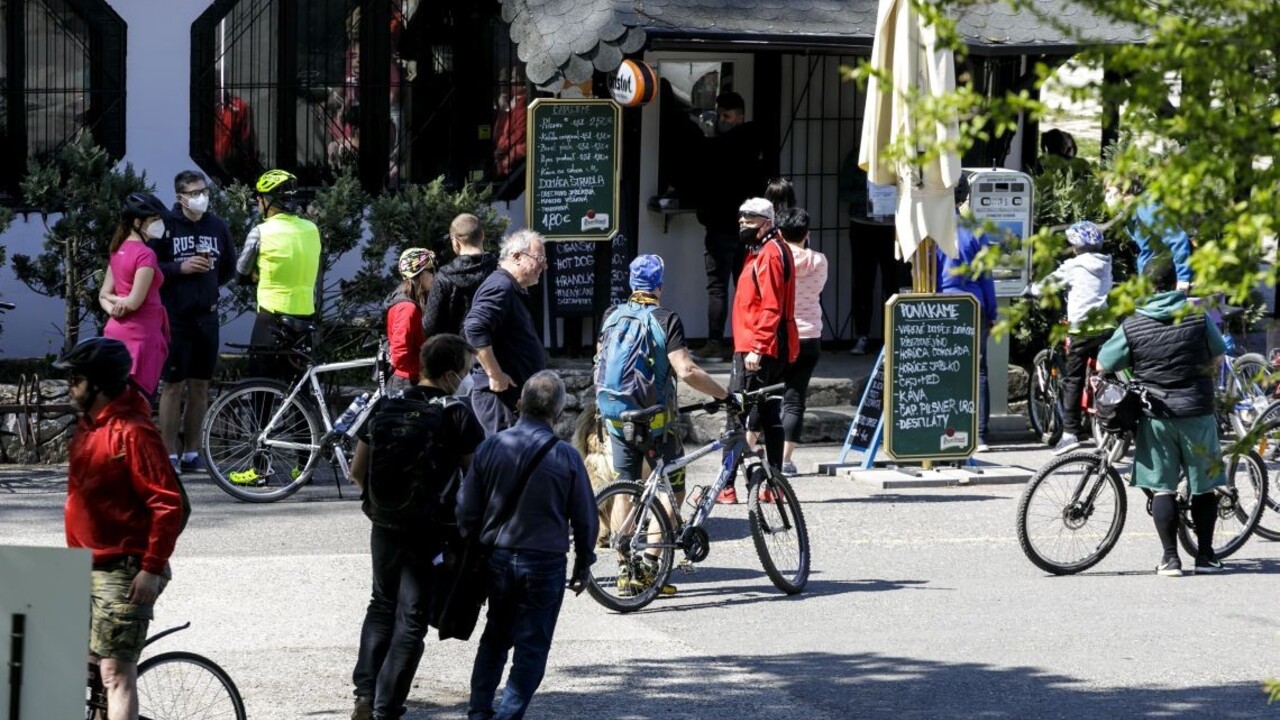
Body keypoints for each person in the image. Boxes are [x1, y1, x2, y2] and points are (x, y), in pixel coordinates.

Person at [346, 334, 485, 720]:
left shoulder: (385, 406)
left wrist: (381, 505)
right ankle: (386, 706)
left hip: (384, 523)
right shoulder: (456, 415)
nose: (470, 378)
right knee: (412, 616)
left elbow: (358, 470)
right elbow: (475, 478)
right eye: (468, 370)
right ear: (450, 374)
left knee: (381, 604)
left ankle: (364, 695)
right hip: (428, 528)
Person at [57, 337, 186, 720]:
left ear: (97, 385)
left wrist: (150, 568)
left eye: (75, 379)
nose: (70, 387)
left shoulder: (133, 432)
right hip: (84, 565)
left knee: (115, 673)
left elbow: (168, 503)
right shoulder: (87, 427)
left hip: (125, 569)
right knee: (84, 668)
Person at [457, 371, 597, 720]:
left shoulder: (491, 447)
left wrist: (472, 547)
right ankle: (508, 715)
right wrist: (584, 562)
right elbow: (585, 518)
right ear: (560, 412)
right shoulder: (567, 457)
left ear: (519, 404)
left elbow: (465, 507)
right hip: (546, 562)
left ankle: (478, 712)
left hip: (498, 557)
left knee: (495, 637)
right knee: (532, 648)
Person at [595, 254, 729, 593]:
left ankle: (626, 572)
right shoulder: (665, 318)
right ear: (659, 286)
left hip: (615, 416)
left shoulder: (612, 316)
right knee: (674, 488)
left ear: (631, 284)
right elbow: (685, 370)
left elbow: (600, 360)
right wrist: (723, 394)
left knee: (625, 485)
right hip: (655, 421)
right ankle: (650, 566)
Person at [1095, 254, 1227, 576]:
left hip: (1156, 417)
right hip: (1196, 411)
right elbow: (1219, 356)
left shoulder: (1133, 323)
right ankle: (1206, 556)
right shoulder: (1197, 317)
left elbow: (1103, 364)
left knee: (1164, 487)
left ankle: (1170, 559)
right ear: (1174, 283)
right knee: (1203, 486)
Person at [153, 170, 236, 474]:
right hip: (175, 317)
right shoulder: (165, 226)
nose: (202, 197)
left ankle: (192, 452)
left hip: (207, 316)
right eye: (194, 193)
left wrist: (209, 284)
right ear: (180, 197)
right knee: (172, 385)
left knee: (201, 385)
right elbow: (151, 268)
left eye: (205, 191)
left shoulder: (217, 225)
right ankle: (168, 453)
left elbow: (229, 267)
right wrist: (181, 268)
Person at [720, 197, 799, 504]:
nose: (743, 225)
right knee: (768, 414)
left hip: (757, 348)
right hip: (770, 345)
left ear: (767, 222)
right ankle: (774, 484)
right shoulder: (768, 250)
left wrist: (757, 348)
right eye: (741, 220)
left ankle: (726, 485)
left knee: (736, 414)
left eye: (750, 220)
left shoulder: (769, 254)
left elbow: (771, 306)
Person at [692, 91, 767, 363]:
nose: (721, 120)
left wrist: (705, 214)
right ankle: (745, 342)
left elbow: (705, 187)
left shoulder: (718, 148)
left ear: (739, 117)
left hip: (721, 226)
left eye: (725, 115)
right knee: (745, 288)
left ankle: (714, 342)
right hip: (748, 229)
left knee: (718, 288)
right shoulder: (758, 148)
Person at [1029, 220, 1114, 454]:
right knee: (1108, 372)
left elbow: (1046, 286)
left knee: (1073, 379)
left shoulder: (1074, 266)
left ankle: (1070, 432)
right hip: (1106, 327)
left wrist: (1032, 289)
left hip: (1081, 330)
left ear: (1076, 246)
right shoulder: (1107, 264)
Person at [235, 169, 321, 380]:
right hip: (304, 318)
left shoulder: (261, 232)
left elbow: (240, 273)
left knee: (261, 387)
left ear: (269, 201)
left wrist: (254, 275)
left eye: (260, 196)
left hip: (271, 319)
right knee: (300, 391)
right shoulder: (311, 229)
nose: (257, 200)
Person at [462, 229, 547, 436]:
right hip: (498, 399)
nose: (544, 265)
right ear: (517, 256)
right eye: (539, 259)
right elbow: (474, 327)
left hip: (510, 398)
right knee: (506, 459)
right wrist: (495, 374)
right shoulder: (501, 286)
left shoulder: (510, 287)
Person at [936, 175, 997, 451]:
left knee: (943, 369)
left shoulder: (932, 227)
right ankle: (980, 434)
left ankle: (944, 428)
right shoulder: (975, 229)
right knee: (978, 369)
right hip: (975, 304)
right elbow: (986, 276)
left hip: (941, 304)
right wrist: (993, 312)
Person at [99, 192, 171, 398]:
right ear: (138, 222)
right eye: (154, 220)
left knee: (116, 404)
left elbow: (104, 294)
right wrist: (122, 304)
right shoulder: (146, 254)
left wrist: (113, 308)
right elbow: (134, 301)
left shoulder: (117, 249)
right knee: (139, 407)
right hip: (141, 339)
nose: (159, 224)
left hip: (114, 335)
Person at [839, 151, 908, 355]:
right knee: (862, 282)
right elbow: (844, 192)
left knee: (894, 282)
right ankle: (862, 335)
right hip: (863, 225)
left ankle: (896, 336)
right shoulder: (857, 157)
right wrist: (869, 196)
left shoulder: (903, 155)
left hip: (894, 228)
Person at [777, 208, 828, 475]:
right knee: (795, 399)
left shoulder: (776, 260)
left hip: (782, 335)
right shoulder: (819, 261)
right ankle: (785, 460)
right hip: (810, 334)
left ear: (780, 233)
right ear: (806, 234)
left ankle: (752, 451)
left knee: (768, 396)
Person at [1106, 177, 1193, 289]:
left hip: (1169, 278)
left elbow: (1177, 238)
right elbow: (1147, 251)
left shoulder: (1145, 207)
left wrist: (1183, 278)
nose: (1106, 198)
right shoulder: (1130, 214)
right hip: (1152, 281)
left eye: (1108, 191)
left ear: (1123, 190)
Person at [422, 213, 496, 338]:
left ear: (455, 242)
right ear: (482, 235)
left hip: (457, 351)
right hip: (496, 352)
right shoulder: (501, 270)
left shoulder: (443, 277)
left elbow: (429, 327)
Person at [385, 248, 436, 394]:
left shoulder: (409, 303)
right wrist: (427, 369)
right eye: (430, 271)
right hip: (407, 383)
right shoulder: (407, 308)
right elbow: (400, 355)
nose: (433, 276)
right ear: (418, 275)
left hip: (412, 379)